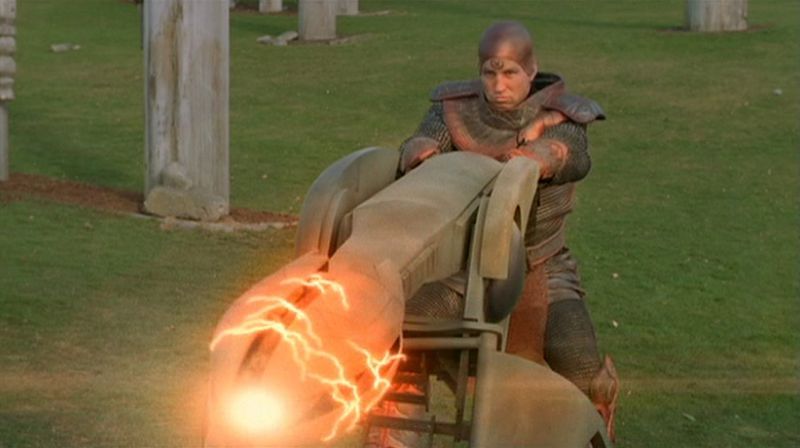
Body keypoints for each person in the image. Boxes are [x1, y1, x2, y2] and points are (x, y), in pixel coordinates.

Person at [396, 20, 619, 440]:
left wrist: (545, 155)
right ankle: (399, 427)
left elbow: (574, 155)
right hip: (465, 265)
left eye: (511, 73)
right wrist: (418, 153)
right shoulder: (452, 110)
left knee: (581, 367)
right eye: (490, 73)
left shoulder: (564, 114)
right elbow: (420, 142)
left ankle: (595, 429)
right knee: (404, 333)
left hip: (542, 263)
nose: (499, 85)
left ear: (531, 70)